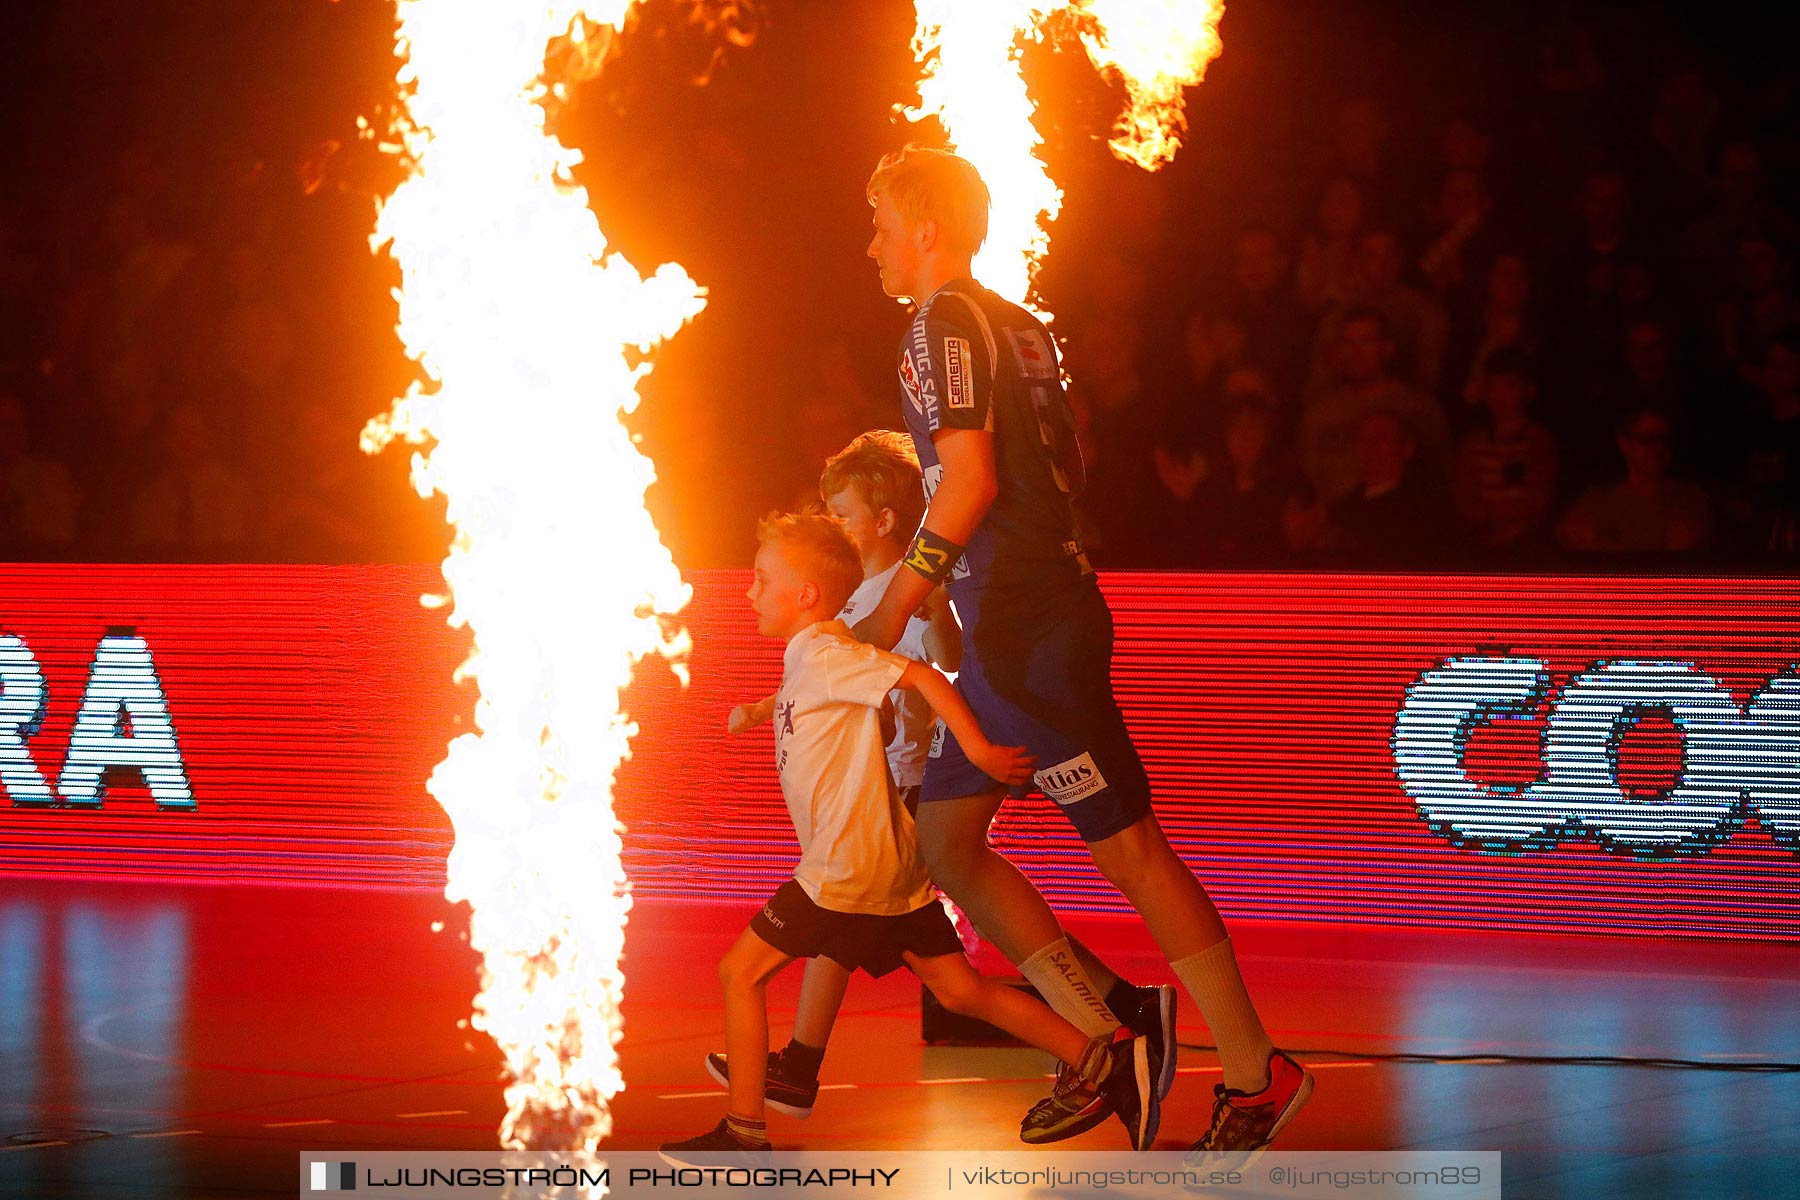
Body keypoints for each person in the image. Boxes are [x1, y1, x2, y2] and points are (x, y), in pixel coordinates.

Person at [857, 145, 1313, 1163]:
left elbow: (968, 483)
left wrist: (891, 609)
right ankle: (1114, 1023)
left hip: (1026, 629)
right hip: (1020, 621)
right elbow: (1055, 460)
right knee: (946, 843)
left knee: (1130, 851)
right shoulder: (1016, 322)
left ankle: (1249, 1067)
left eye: (883, 220)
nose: (873, 241)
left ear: (928, 227)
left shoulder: (939, 322)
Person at [661, 512, 1155, 1161]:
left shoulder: (828, 653)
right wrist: (761, 709)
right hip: (889, 868)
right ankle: (1108, 1060)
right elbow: (815, 694)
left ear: (804, 594)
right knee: (962, 991)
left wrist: (977, 751)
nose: (748, 591)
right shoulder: (814, 654)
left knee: (739, 973)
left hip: (848, 870)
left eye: (760, 580)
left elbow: (919, 676)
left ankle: (744, 1132)